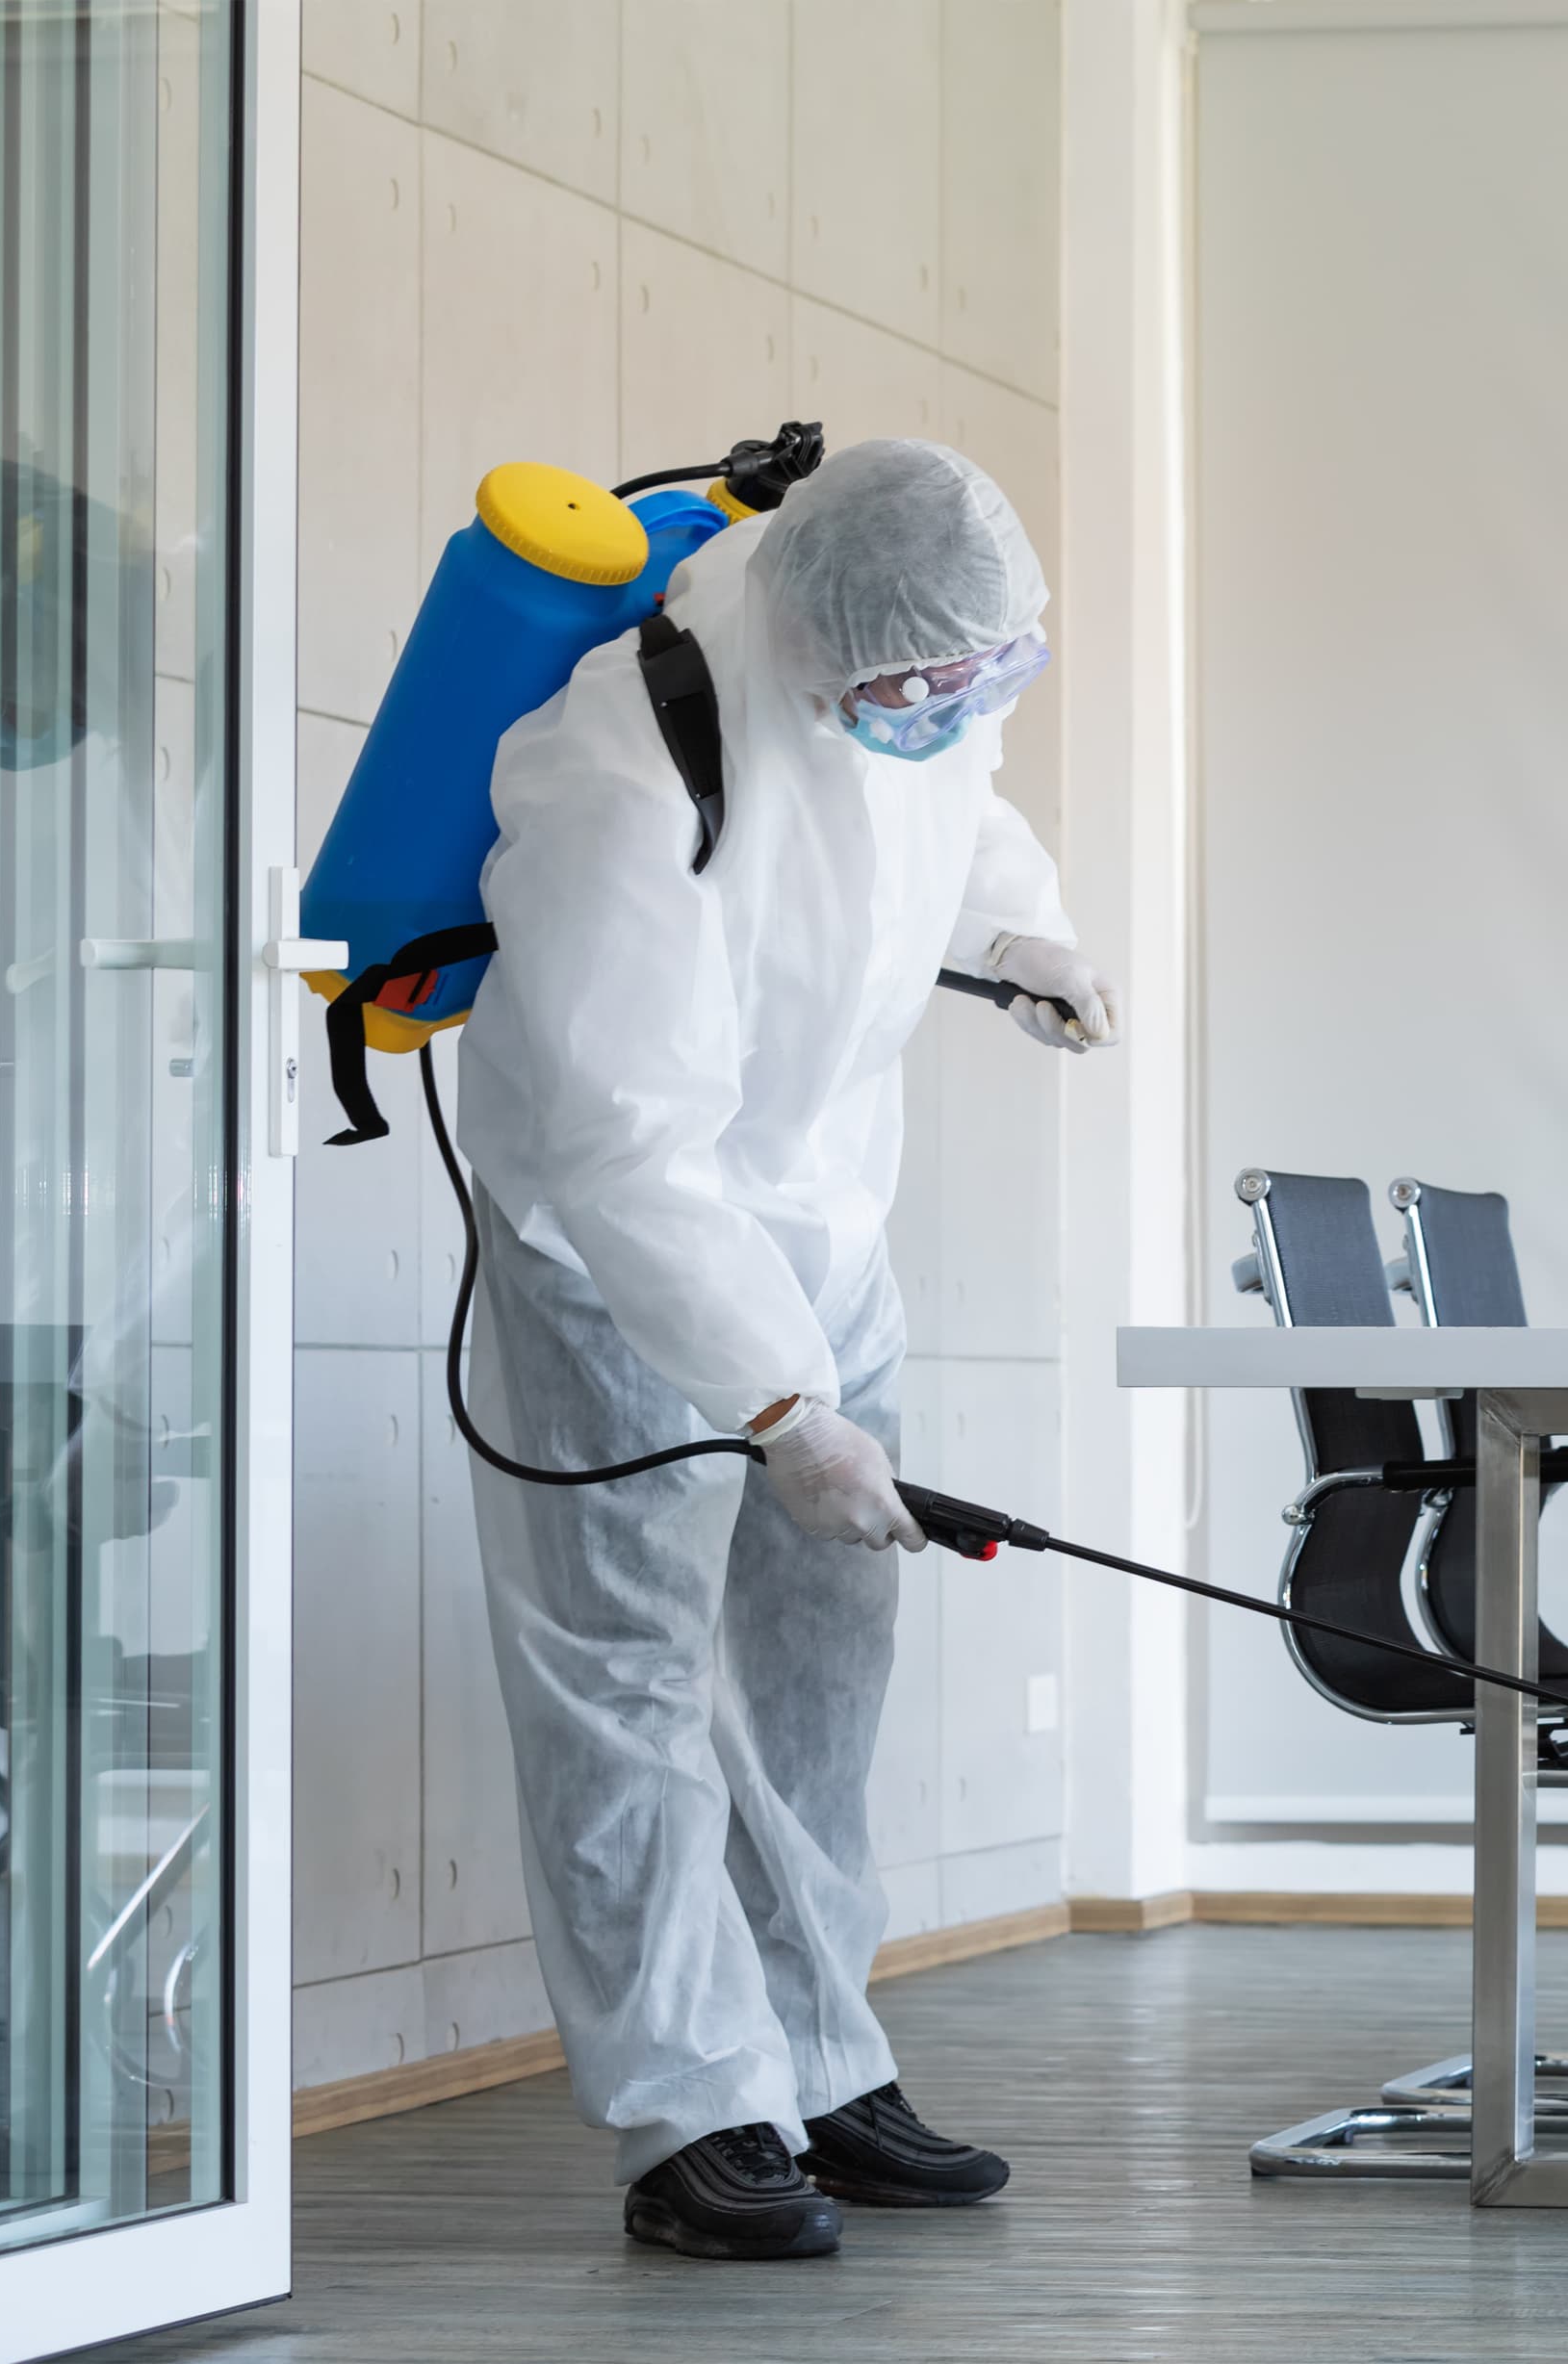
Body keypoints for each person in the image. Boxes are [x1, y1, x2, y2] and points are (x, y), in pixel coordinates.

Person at [454, 440, 1117, 2261]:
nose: (962, 705)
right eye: (931, 683)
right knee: (627, 1685)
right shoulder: (621, 757)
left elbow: (957, 803)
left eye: (991, 670)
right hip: (618, 1263)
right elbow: (626, 1148)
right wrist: (780, 1410)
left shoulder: (918, 675)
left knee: (821, 1676)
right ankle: (690, 2106)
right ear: (832, 650)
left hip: (827, 1229)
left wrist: (1025, 932)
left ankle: (824, 2059)